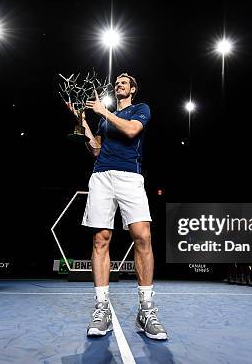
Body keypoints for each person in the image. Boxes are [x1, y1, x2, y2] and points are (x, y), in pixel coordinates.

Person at [66, 73, 167, 340]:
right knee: (101, 239)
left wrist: (103, 111)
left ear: (132, 89)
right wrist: (83, 121)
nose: (119, 85)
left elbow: (132, 130)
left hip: (130, 176)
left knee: (142, 235)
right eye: (117, 82)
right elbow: (96, 149)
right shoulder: (103, 118)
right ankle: (102, 309)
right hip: (101, 176)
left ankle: (146, 309)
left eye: (124, 82)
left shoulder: (140, 109)